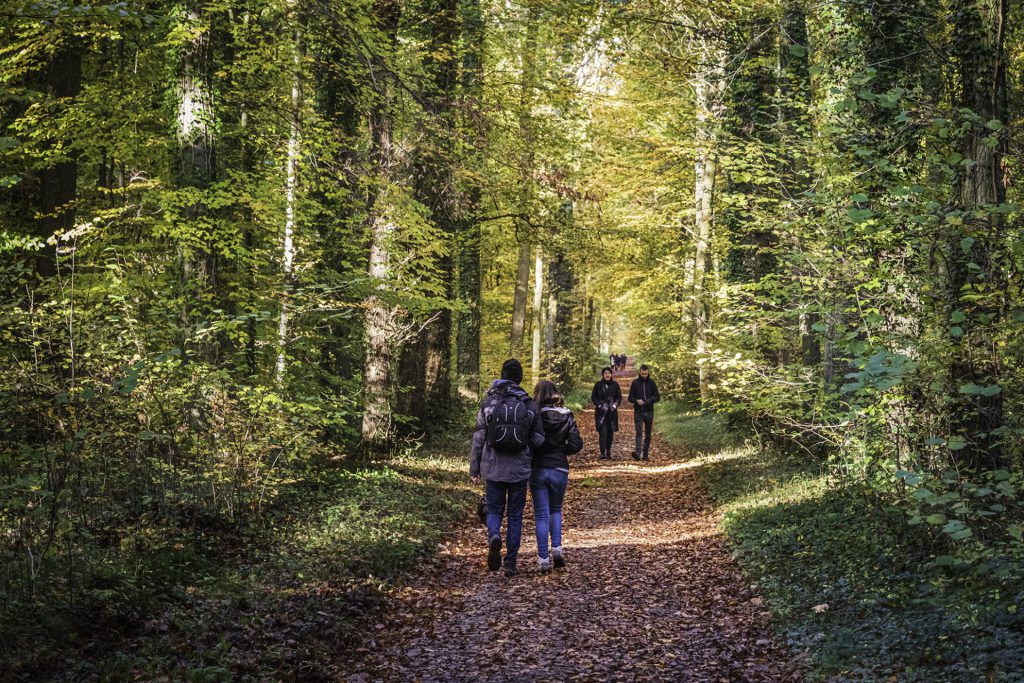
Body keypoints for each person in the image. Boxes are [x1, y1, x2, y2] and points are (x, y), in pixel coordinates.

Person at [470, 358, 545, 577]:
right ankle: (510, 562)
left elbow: (479, 437)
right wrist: (527, 448)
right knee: (515, 515)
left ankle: (494, 536)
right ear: (520, 378)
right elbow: (539, 438)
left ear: (501, 376)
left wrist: (475, 467)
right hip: (519, 469)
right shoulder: (529, 405)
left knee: (494, 509)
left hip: (493, 467)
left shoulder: (490, 403)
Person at [531, 380, 583, 572]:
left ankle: (543, 559)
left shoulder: (534, 415)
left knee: (541, 515)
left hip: (537, 468)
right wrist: (562, 451)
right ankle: (557, 549)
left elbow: (530, 441)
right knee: (555, 510)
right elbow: (577, 444)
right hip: (560, 468)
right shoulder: (567, 414)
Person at [628, 364, 661, 461]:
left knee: (648, 434)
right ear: (640, 372)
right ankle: (638, 453)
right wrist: (636, 400)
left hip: (649, 411)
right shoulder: (635, 383)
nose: (644, 375)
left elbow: (657, 397)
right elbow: (630, 398)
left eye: (646, 374)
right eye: (642, 374)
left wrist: (649, 401)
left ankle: (645, 455)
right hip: (638, 411)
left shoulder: (652, 383)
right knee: (639, 432)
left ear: (648, 373)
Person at [591, 367, 621, 459]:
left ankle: (608, 451)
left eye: (609, 373)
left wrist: (615, 405)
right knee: (603, 432)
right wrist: (599, 405)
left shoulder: (615, 385)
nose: (607, 375)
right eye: (605, 373)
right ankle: (602, 452)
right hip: (601, 412)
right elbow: (593, 397)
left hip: (612, 412)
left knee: (610, 433)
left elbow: (619, 397)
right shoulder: (598, 385)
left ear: (611, 374)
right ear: (603, 375)